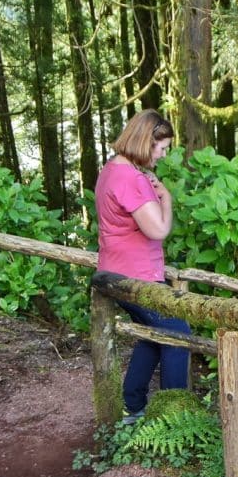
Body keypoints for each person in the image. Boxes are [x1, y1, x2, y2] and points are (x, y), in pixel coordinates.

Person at [94, 109, 191, 424]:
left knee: (152, 336)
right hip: (136, 278)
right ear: (145, 142)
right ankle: (173, 419)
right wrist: (167, 199)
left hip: (116, 272)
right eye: (161, 148)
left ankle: (133, 407)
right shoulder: (131, 179)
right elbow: (158, 230)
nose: (162, 155)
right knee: (177, 333)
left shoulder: (111, 169)